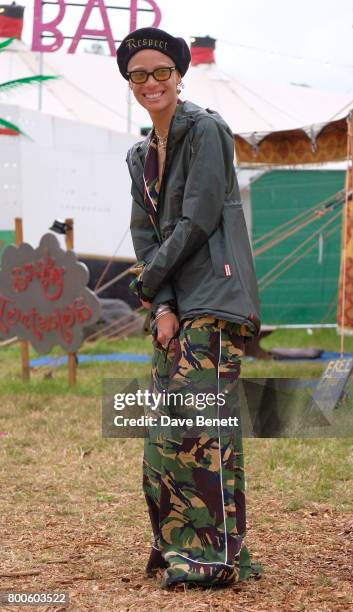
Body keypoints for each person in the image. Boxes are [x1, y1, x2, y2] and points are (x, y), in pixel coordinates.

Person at [116, 27, 261, 589]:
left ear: (180, 76)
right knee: (169, 431)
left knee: (204, 431)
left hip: (216, 298)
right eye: (138, 75)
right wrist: (162, 305)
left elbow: (196, 220)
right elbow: (146, 234)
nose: (151, 83)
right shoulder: (137, 156)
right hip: (178, 303)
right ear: (129, 84)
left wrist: (149, 287)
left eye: (161, 72)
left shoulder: (207, 131)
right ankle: (180, 544)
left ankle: (215, 554)